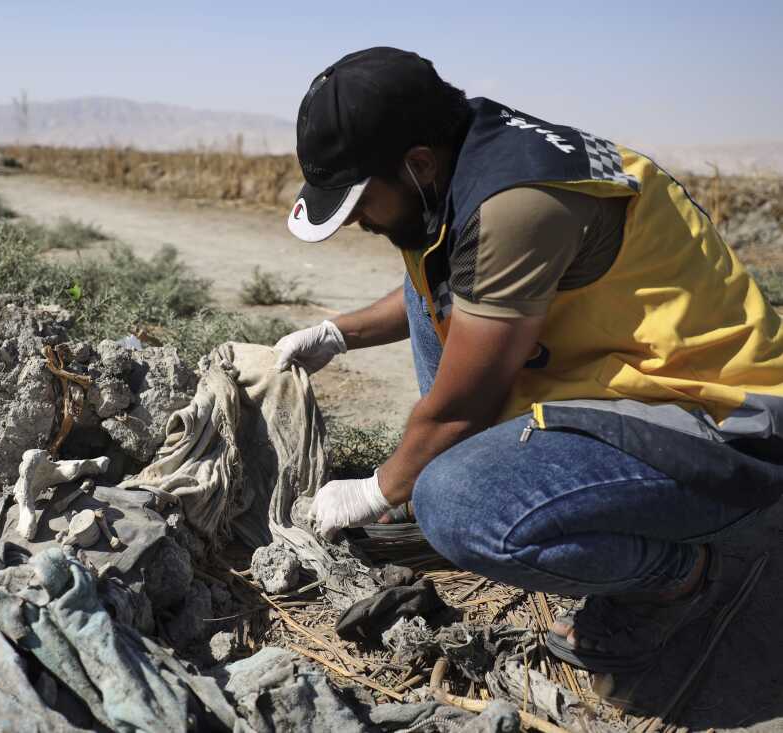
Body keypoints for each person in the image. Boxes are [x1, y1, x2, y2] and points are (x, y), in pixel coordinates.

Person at [276, 47, 783, 678]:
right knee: (427, 259)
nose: (353, 223)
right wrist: (339, 334)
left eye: (357, 204)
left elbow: (459, 408)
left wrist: (382, 487)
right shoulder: (471, 155)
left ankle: (678, 578)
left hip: (724, 426)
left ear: (417, 165)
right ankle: (471, 479)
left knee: (457, 504)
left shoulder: (515, 205)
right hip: (630, 388)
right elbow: (455, 286)